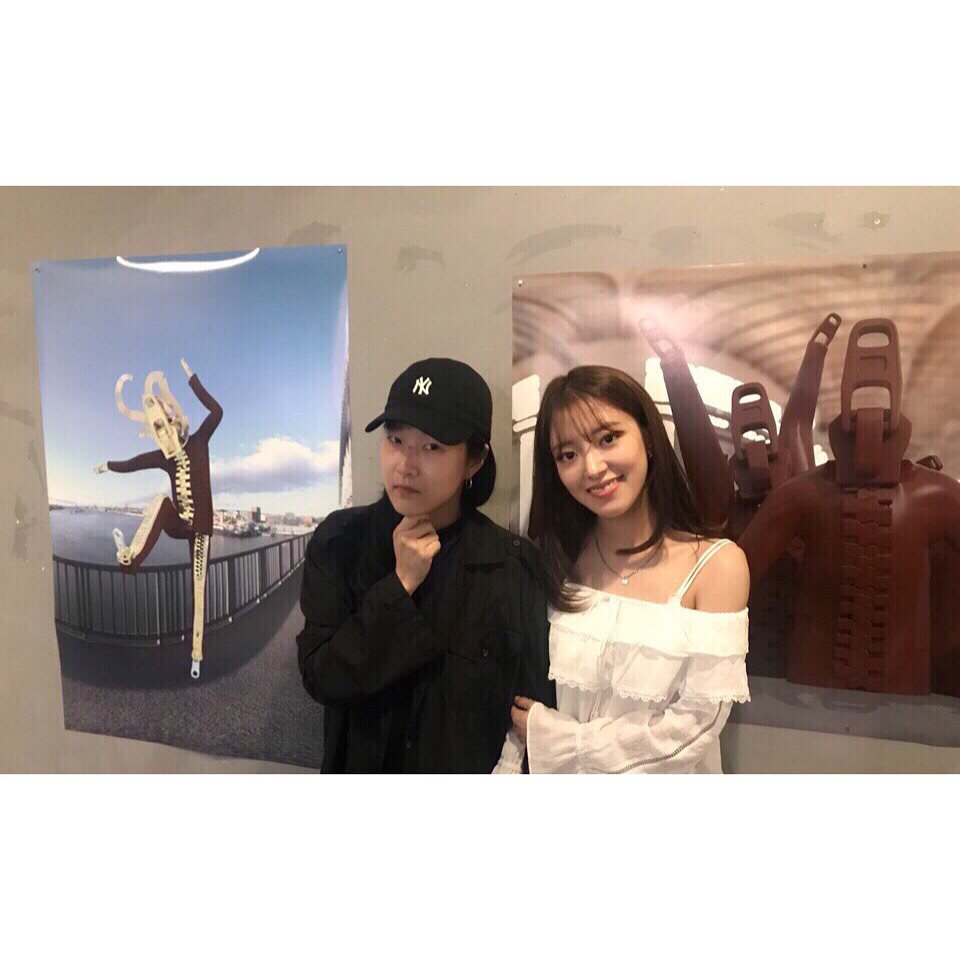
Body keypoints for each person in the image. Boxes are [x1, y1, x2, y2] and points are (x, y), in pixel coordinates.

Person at [296, 357, 554, 773]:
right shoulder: (340, 541)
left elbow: (530, 715)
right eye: (396, 439)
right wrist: (399, 586)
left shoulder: (512, 565)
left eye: (432, 447)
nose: (406, 465)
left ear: (474, 460)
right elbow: (322, 677)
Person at [510, 365, 750, 774]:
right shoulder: (554, 561)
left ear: (648, 438)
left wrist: (560, 738)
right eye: (568, 455)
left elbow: (695, 727)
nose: (592, 467)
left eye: (608, 439)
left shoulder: (717, 566)